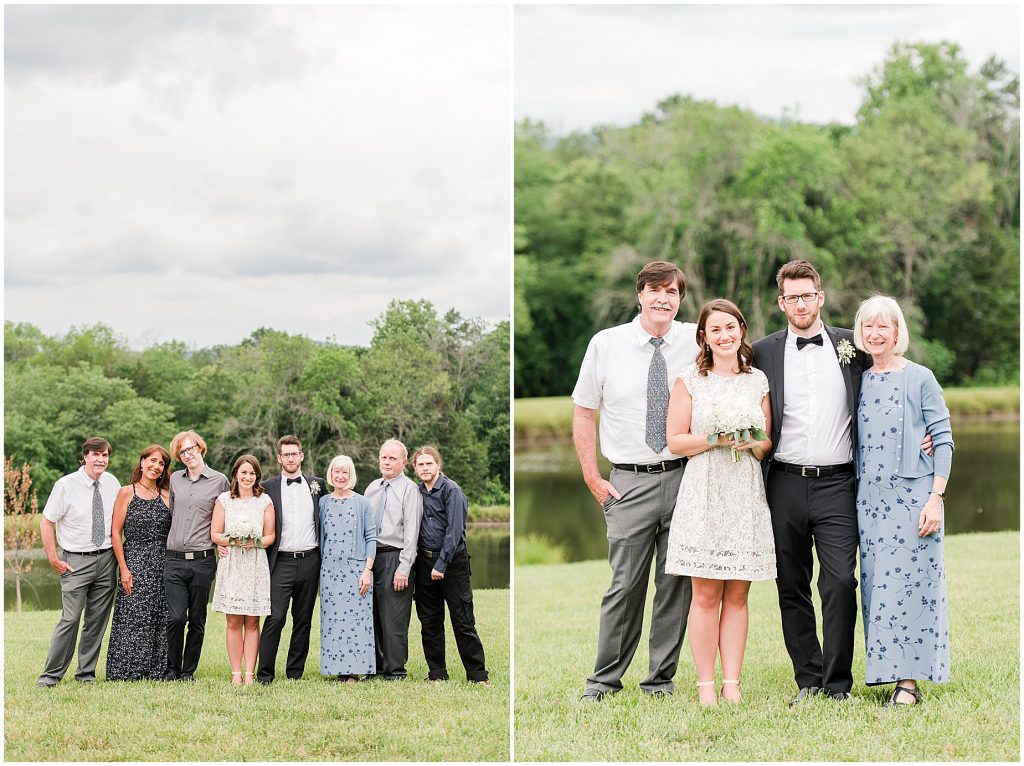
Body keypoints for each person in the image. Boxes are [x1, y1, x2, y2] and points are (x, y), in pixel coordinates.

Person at [571, 260, 698, 701]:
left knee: (675, 584)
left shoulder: (695, 338)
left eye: (672, 292)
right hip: (628, 482)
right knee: (624, 585)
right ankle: (603, 681)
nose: (663, 299)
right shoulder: (607, 344)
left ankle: (659, 681)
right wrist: (591, 475)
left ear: (680, 299)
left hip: (686, 478)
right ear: (640, 295)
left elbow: (735, 368)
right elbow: (585, 411)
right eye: (655, 291)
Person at [665, 299, 776, 706]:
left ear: (742, 330)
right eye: (715, 330)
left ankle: (733, 682)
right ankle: (706, 685)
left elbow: (766, 445)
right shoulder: (690, 380)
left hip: (745, 491)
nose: (724, 335)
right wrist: (717, 439)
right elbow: (675, 441)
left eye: (731, 327)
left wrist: (749, 441)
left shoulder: (757, 381)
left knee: (739, 594)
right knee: (706, 594)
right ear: (704, 337)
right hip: (705, 490)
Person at [852, 295, 953, 706]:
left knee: (911, 588)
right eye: (868, 327)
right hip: (869, 502)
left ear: (897, 332)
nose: (875, 334)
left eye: (883, 327)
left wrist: (936, 498)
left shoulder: (920, 377)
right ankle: (886, 672)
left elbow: (943, 440)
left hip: (913, 499)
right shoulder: (858, 377)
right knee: (879, 587)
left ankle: (908, 684)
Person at [36, 437, 120, 687]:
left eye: (105, 455)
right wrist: (53, 557)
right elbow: (47, 521)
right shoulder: (66, 485)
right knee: (70, 619)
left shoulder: (112, 483)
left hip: (106, 560)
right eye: (96, 455)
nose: (101, 460)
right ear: (84, 457)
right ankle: (51, 675)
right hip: (75, 561)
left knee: (96, 621)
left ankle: (86, 674)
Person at [412, 445, 489, 685]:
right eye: (420, 464)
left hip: (452, 562)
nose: (425, 468)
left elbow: (454, 532)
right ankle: (437, 673)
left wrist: (441, 564)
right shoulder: (416, 492)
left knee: (463, 620)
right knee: (430, 621)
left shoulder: (451, 491)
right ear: (415, 468)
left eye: (429, 463)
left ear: (438, 465)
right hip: (424, 562)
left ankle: (477, 675)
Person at [256, 435, 327, 684]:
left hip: (310, 560)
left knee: (303, 619)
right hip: (281, 561)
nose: (290, 458)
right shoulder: (267, 487)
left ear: (301, 455)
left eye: (294, 453)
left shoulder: (317, 485)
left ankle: (294, 673)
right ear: (279, 458)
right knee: (275, 617)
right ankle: (264, 674)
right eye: (285, 454)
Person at [164, 430, 230, 681]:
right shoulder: (175, 480)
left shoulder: (219, 480)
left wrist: (221, 542)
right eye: (182, 451)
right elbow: (172, 513)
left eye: (191, 448)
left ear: (201, 449)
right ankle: (172, 669)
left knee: (197, 619)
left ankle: (187, 671)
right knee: (176, 617)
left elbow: (226, 516)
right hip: (174, 559)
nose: (187, 454)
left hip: (203, 560)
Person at [106, 445, 173, 681]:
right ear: (142, 462)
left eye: (161, 463)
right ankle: (126, 669)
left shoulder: (167, 495)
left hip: (163, 561)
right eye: (152, 461)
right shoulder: (127, 492)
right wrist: (123, 568)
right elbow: (116, 532)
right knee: (132, 614)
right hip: (134, 558)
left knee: (159, 615)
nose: (155, 466)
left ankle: (156, 669)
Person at [211, 455, 276, 685]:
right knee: (233, 621)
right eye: (244, 472)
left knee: (252, 621)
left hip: (255, 563)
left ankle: (250, 673)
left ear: (257, 476)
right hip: (232, 564)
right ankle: (235, 673)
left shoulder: (264, 501)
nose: (248, 477)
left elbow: (270, 536)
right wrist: (233, 540)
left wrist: (254, 542)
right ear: (236, 474)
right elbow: (215, 534)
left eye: (252, 473)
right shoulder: (224, 500)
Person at [364, 439, 422, 680]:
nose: (386, 462)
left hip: (395, 556)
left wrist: (404, 567)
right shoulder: (372, 488)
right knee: (373, 614)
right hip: (371, 558)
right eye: (383, 457)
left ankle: (395, 670)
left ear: (403, 462)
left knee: (394, 618)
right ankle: (376, 667)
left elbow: (412, 533)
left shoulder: (410, 490)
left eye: (392, 458)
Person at [318, 455, 376, 682]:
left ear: (351, 475)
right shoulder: (323, 502)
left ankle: (354, 670)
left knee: (356, 621)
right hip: (330, 570)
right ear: (330, 474)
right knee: (334, 621)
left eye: (345, 472)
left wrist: (367, 570)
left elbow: (371, 537)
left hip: (356, 569)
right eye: (336, 472)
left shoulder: (362, 502)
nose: (340, 476)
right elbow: (321, 537)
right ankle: (337, 669)